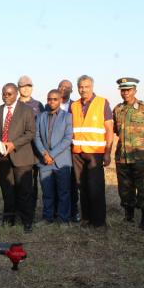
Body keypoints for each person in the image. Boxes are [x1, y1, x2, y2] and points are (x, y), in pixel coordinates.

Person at [0, 83, 36, 233]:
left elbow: (30, 133)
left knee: (24, 191)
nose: (6, 96)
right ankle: (9, 219)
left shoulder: (27, 110)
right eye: (4, 94)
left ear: (16, 94)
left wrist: (14, 144)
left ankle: (27, 221)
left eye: (9, 94)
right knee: (7, 191)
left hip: (22, 157)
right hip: (3, 159)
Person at [113, 78, 144, 232]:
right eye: (123, 90)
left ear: (135, 90)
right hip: (123, 157)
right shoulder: (117, 109)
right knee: (125, 189)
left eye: (129, 90)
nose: (125, 93)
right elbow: (116, 130)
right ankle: (129, 215)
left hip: (142, 157)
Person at [70, 75, 114, 228]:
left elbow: (109, 129)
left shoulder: (102, 103)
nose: (83, 89)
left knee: (95, 187)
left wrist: (108, 152)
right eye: (81, 87)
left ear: (92, 87)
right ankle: (86, 218)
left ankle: (98, 221)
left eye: (86, 86)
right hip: (77, 153)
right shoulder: (74, 105)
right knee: (82, 186)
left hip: (95, 153)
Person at [34, 89, 73, 226]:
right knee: (47, 192)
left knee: (63, 192)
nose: (52, 101)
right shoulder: (40, 117)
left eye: (55, 99)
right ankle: (47, 217)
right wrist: (45, 153)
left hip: (61, 161)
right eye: (49, 99)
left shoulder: (67, 117)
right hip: (44, 161)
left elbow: (67, 139)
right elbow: (36, 136)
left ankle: (63, 219)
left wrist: (51, 154)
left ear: (60, 100)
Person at [17, 75, 44, 222]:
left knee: (32, 183)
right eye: (23, 86)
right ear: (18, 88)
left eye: (29, 86)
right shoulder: (14, 105)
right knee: (18, 182)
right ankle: (18, 211)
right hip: (18, 151)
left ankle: (31, 211)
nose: (26, 88)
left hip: (34, 150)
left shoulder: (38, 105)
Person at [58, 78, 80, 222]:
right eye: (62, 86)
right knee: (56, 183)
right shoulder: (50, 104)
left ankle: (73, 211)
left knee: (72, 183)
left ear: (72, 90)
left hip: (72, 151)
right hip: (55, 152)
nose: (64, 89)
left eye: (68, 87)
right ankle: (56, 211)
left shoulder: (76, 106)